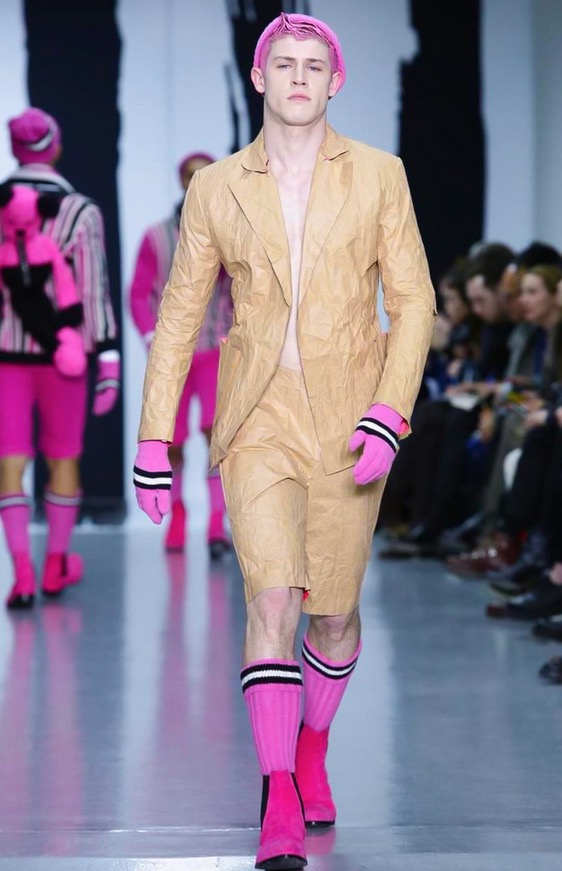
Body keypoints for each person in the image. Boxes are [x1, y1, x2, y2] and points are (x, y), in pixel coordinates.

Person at [133, 13, 435, 870]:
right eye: (284, 63)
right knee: (272, 599)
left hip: (351, 416)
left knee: (332, 612)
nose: (299, 76)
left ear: (335, 81)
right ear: (260, 77)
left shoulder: (379, 174)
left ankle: (311, 746)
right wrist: (155, 439)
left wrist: (390, 411)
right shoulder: (216, 187)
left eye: (314, 65)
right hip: (256, 415)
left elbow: (414, 300)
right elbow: (180, 313)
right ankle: (276, 794)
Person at [0, 107, 119, 609]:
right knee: (63, 457)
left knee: (10, 461)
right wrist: (108, 359)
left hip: (6, 359)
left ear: (15, 151)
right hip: (64, 359)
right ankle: (55, 565)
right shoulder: (81, 212)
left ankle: (21, 574)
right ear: (56, 148)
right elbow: (92, 292)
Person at [129, 152, 233, 557]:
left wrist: (235, 334)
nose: (197, 182)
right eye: (191, 176)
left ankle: (216, 523)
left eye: (204, 175)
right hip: (172, 355)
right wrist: (150, 336)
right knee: (169, 438)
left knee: (215, 436)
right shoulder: (157, 237)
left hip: (213, 349)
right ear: (182, 181)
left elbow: (245, 289)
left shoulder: (230, 233)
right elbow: (139, 292)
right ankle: (176, 514)